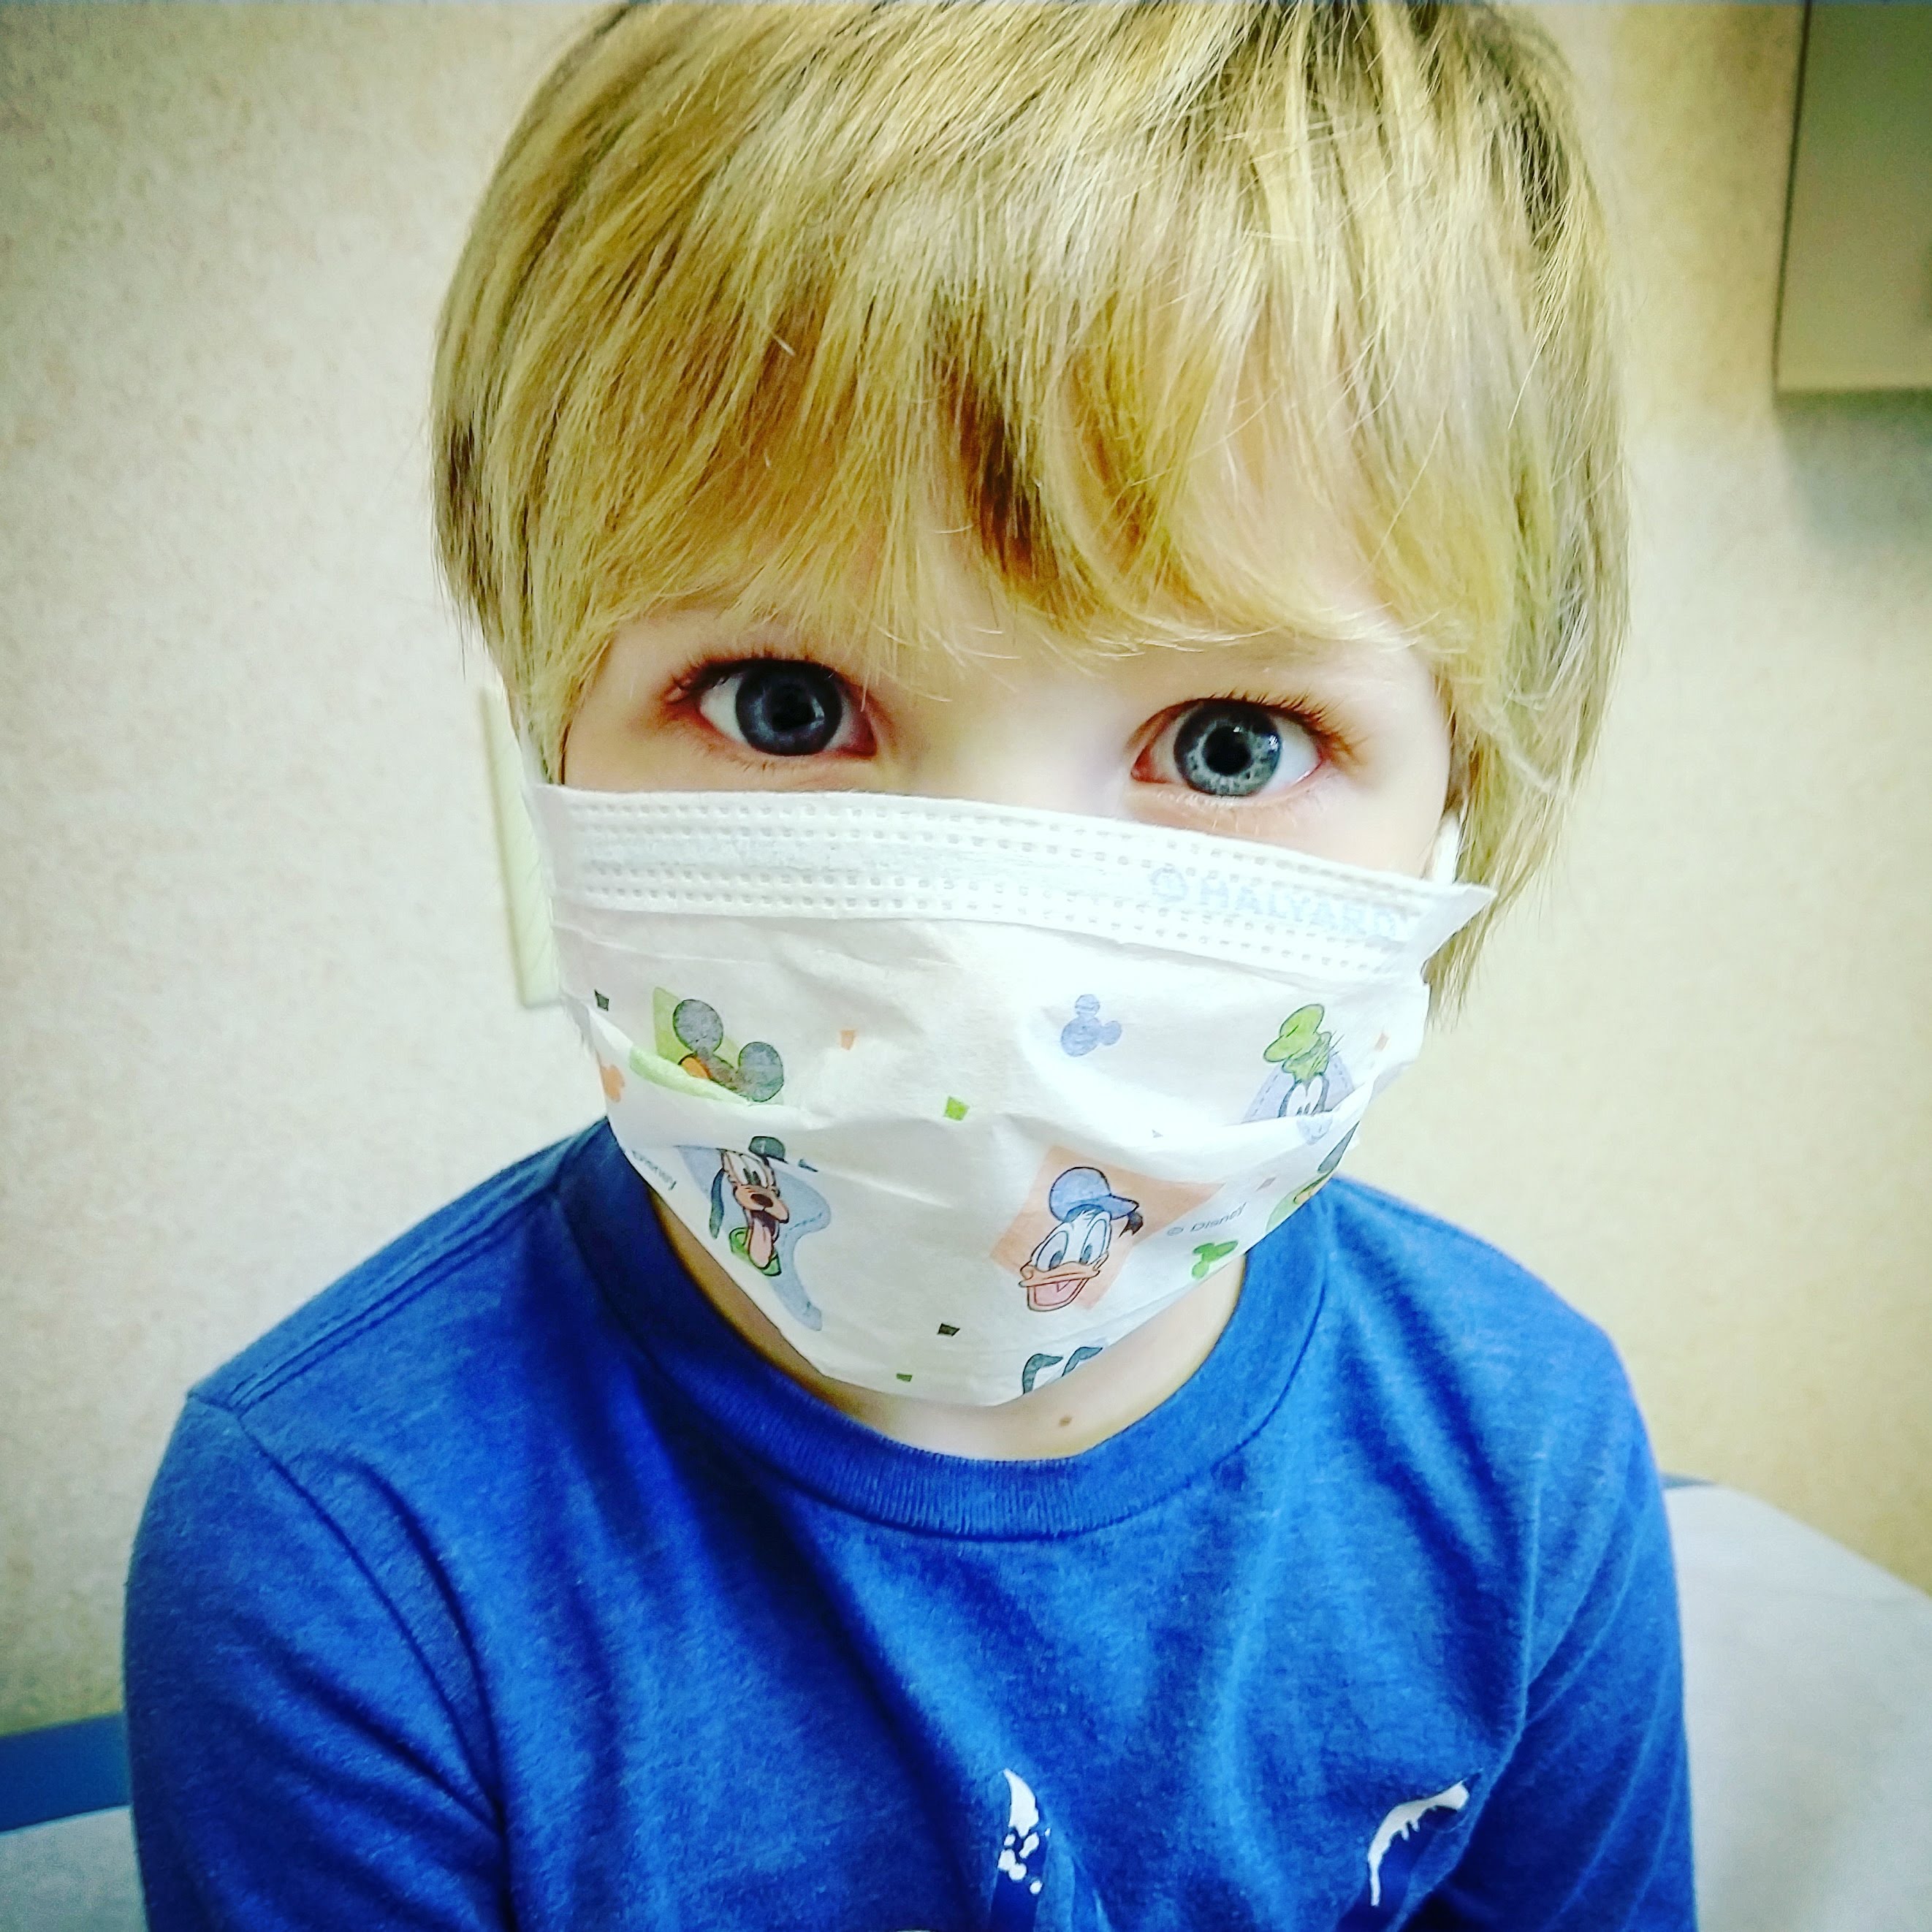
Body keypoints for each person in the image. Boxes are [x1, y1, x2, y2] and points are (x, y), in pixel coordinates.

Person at [123, 4, 1694, 1927]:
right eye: (784, 703)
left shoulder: (1520, 1457)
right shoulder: (337, 1548)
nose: (982, 974)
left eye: (1226, 744)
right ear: (545, 735)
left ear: (1466, 792)